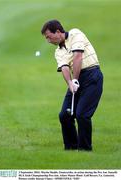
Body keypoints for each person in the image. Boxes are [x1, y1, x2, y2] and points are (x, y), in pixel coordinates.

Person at [41, 20, 103, 151]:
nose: (48, 41)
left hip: (92, 76)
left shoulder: (75, 33)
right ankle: (71, 148)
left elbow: (78, 57)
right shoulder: (58, 51)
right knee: (64, 115)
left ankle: (85, 149)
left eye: (48, 36)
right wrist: (70, 83)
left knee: (82, 114)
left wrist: (74, 79)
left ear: (58, 32)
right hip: (76, 79)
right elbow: (64, 67)